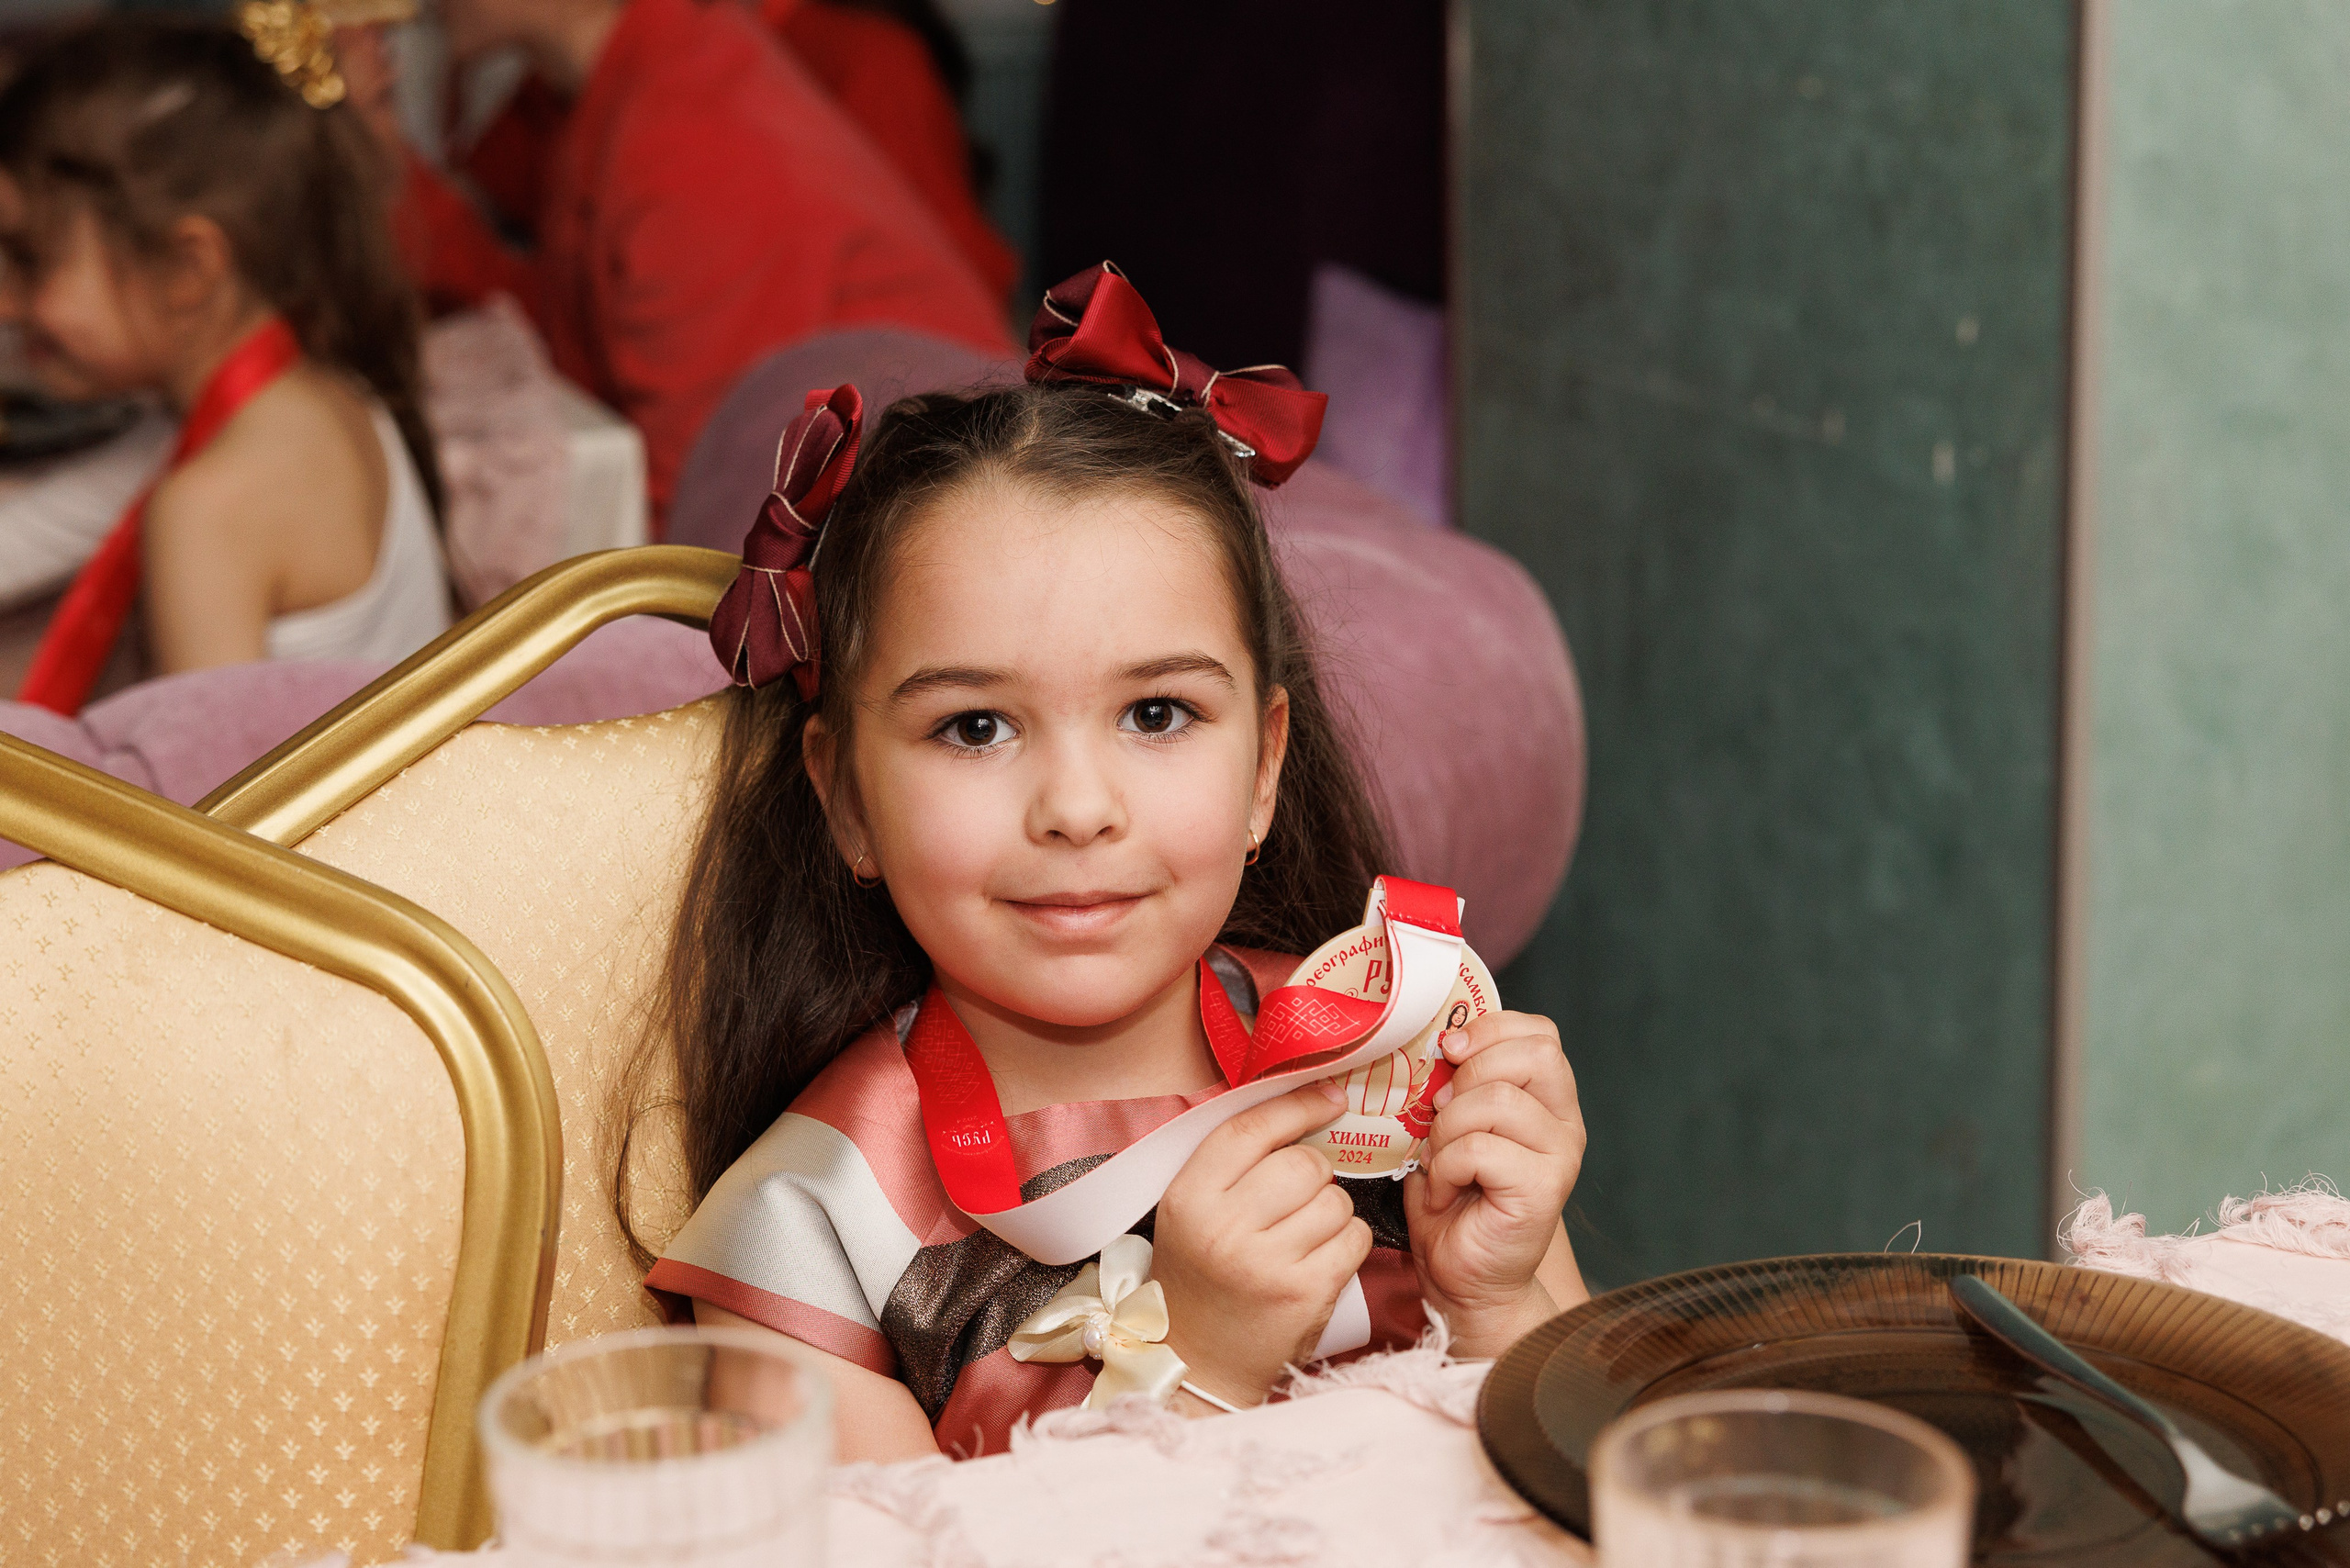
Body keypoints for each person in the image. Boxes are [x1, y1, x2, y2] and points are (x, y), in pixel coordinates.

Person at [633, 265, 1589, 1460]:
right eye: (974, 727)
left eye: (1157, 715)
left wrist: (1504, 1306)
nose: (1078, 809)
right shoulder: (813, 1235)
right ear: (846, 799)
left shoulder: (1390, 1057)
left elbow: (1601, 1500)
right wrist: (1193, 1371)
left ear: (1263, 769)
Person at [405, 0, 1013, 527]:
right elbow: (570, 337)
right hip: (899, 521)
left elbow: (703, 520)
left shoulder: (684, 126)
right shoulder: (636, 82)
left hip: (941, 531)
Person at [0, 17, 447, 713]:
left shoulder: (211, 505)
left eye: (31, 260)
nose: (5, 302)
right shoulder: (322, 390)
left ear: (188, 269)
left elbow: (204, 813)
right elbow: (24, 537)